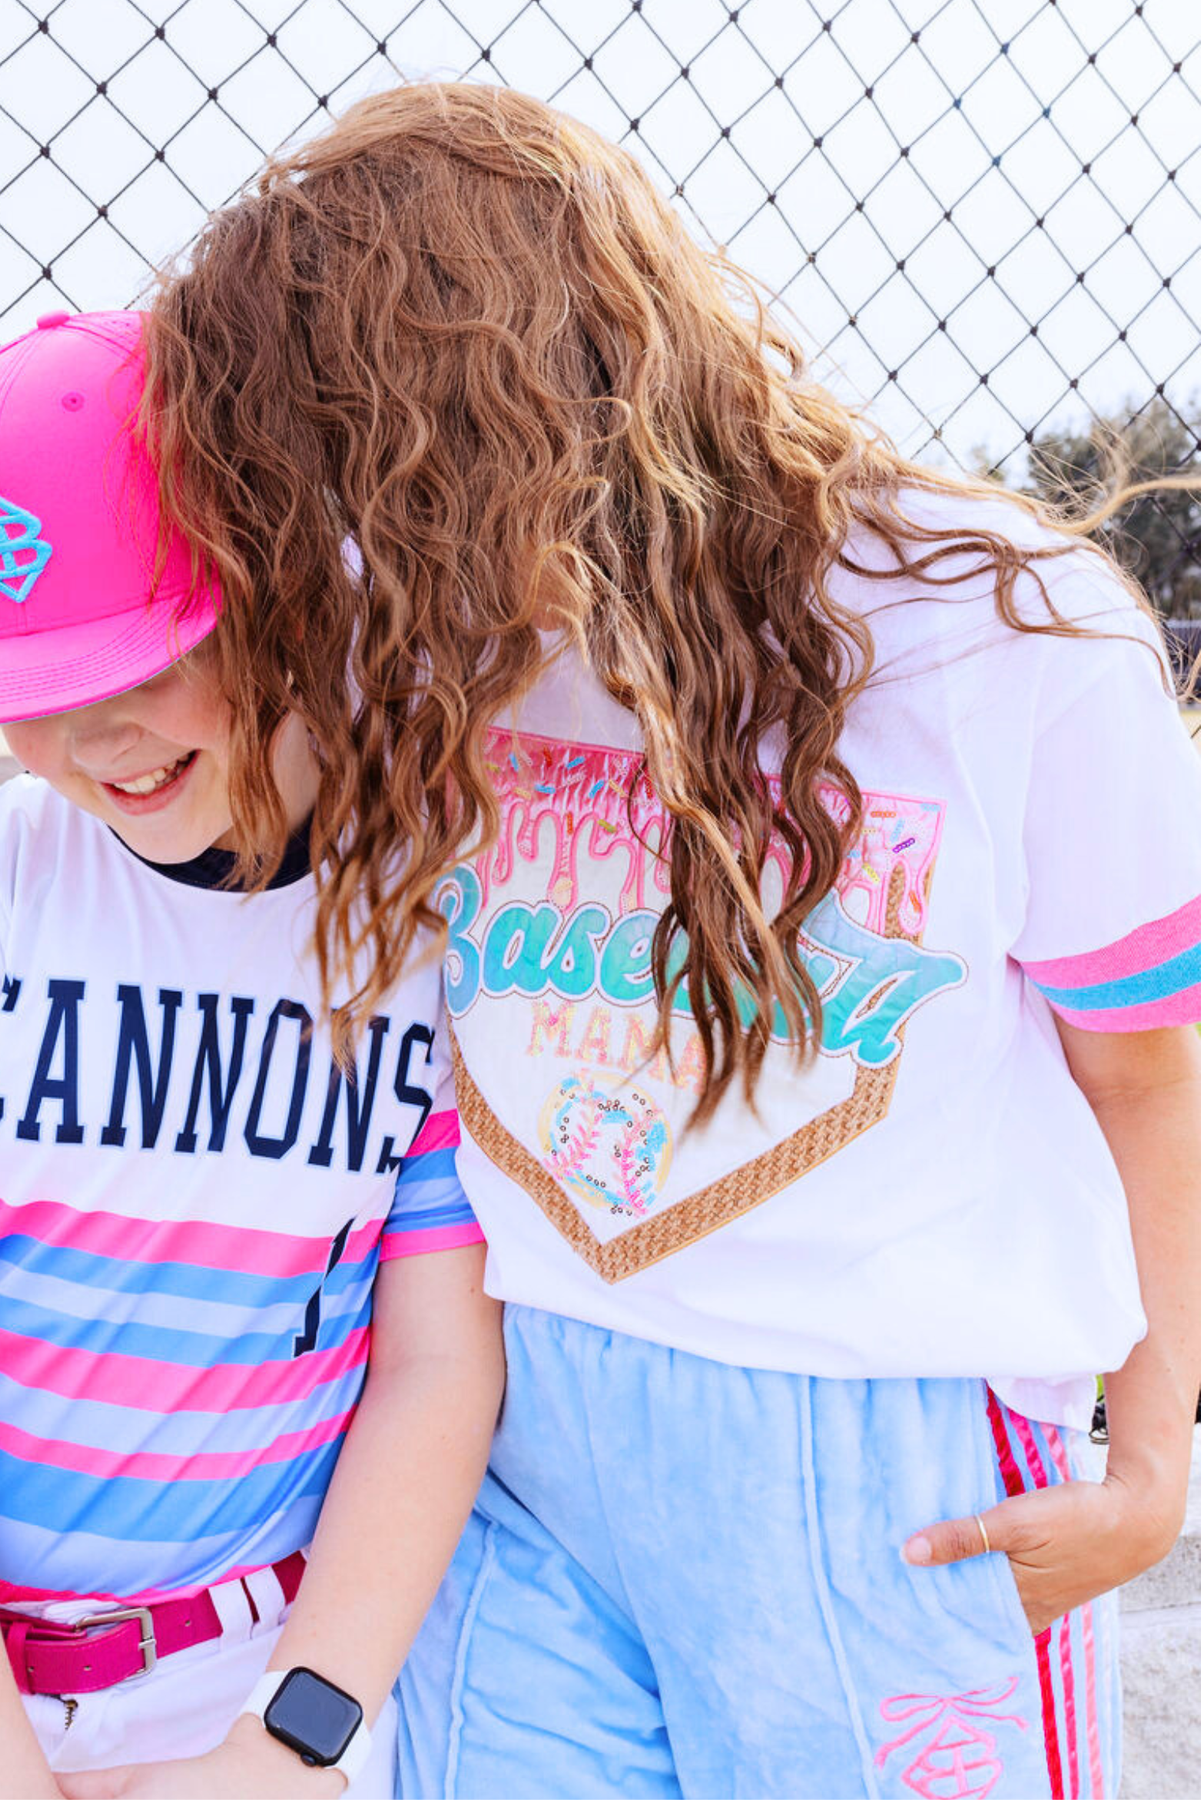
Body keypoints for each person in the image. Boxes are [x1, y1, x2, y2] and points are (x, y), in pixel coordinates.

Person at [143, 84, 1201, 1800]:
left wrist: (1151, 1459)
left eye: (361, 464)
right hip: (531, 1426)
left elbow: (1144, 1074)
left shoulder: (1012, 635)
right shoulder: (425, 645)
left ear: (497, 414)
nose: (343, 538)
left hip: (890, 1455)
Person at [0, 309, 504, 1800]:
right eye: (32, 692)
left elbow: (433, 1364)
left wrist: (292, 1742)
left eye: (150, 658)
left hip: (255, 1674)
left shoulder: (424, 924)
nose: (96, 735)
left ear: (288, 595)